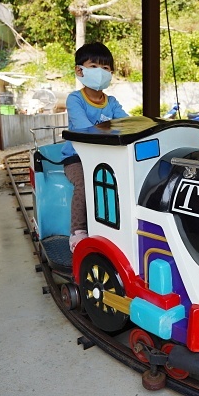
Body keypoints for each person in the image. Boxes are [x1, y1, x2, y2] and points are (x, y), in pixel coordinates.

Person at [61, 42, 128, 250]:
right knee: (84, 183)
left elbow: (126, 124)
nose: (100, 72)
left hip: (104, 156)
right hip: (76, 157)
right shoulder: (75, 99)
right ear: (79, 70)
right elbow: (84, 128)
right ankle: (78, 232)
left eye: (106, 69)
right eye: (93, 67)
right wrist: (111, 129)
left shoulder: (112, 102)